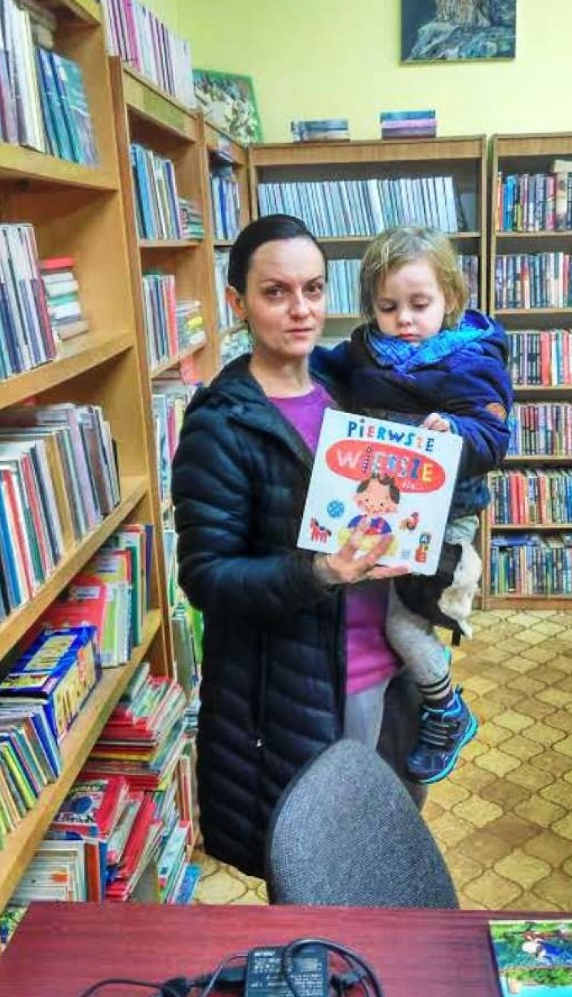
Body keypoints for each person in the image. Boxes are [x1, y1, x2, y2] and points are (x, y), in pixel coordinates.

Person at [170, 214, 416, 878]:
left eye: (313, 289)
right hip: (300, 693)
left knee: (378, 860)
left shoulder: (347, 394)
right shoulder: (221, 423)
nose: (301, 309)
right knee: (318, 875)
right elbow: (208, 577)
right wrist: (318, 572)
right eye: (276, 292)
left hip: (388, 670)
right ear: (238, 303)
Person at [314, 225, 513, 785]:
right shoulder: (365, 349)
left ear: (451, 297)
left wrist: (454, 431)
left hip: (445, 514)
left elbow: (494, 438)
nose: (404, 318)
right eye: (388, 306)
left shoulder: (470, 358)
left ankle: (448, 709)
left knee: (405, 627)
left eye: (419, 304)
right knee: (360, 605)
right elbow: (323, 367)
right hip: (382, 504)